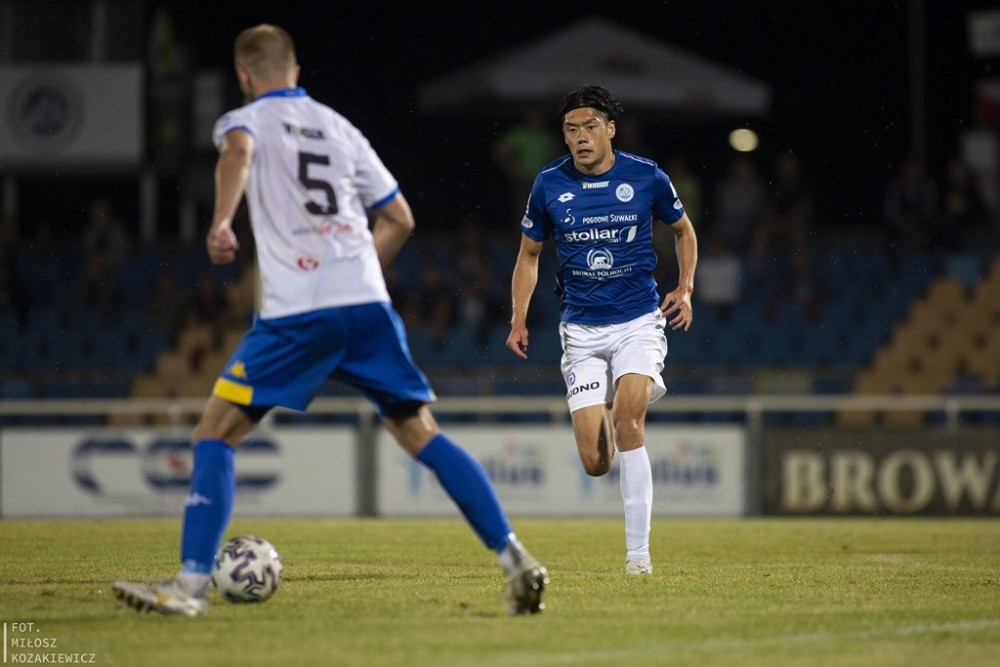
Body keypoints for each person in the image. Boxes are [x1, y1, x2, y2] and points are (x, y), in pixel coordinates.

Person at [114, 24, 547, 617]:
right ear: (295, 71)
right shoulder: (341, 128)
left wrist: (221, 221)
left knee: (214, 435)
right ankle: (515, 557)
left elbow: (238, 154)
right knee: (422, 432)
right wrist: (357, 271)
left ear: (244, 75)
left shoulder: (246, 119)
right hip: (365, 304)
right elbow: (400, 218)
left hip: (298, 310)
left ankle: (190, 586)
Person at [506, 85, 697, 575]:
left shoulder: (646, 175)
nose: (580, 137)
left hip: (638, 321)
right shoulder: (549, 183)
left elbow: (683, 230)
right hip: (582, 332)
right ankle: (616, 400)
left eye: (590, 127)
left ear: (610, 129)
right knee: (595, 462)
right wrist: (519, 316)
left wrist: (686, 287)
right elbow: (529, 255)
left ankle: (638, 557)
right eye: (571, 130)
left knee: (629, 424)